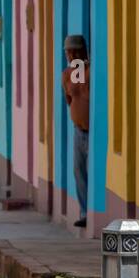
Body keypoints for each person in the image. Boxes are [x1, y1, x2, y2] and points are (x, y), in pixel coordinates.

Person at [61, 35, 90, 228]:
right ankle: (84, 211)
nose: (71, 56)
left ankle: (92, 212)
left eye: (74, 52)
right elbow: (69, 100)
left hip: (92, 131)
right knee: (79, 171)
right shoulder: (67, 74)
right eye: (68, 52)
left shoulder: (90, 71)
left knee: (88, 170)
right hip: (78, 130)